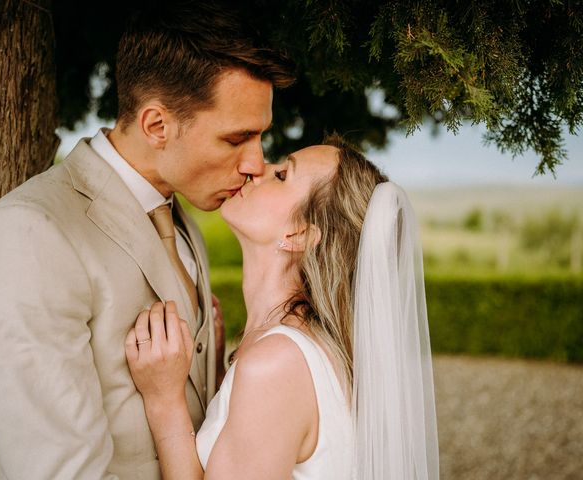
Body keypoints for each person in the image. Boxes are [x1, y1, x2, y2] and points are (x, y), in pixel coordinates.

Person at [0, 3, 293, 479]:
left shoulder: (182, 220)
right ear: (156, 125)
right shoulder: (28, 238)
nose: (256, 163)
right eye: (236, 139)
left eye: (260, 138)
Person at [126, 135, 440, 479]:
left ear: (299, 234)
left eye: (281, 175)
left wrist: (165, 401)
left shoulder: (277, 363)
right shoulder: (290, 348)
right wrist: (218, 375)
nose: (258, 168)